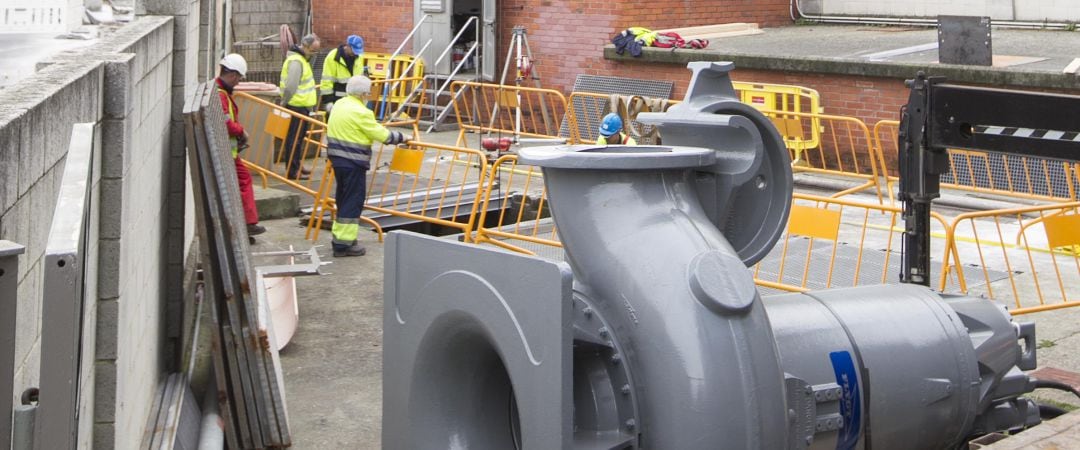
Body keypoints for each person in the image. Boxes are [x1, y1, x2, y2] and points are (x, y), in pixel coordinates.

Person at [326, 76, 406, 257]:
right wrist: (402, 137)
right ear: (364, 93)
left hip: (337, 159)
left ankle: (340, 237)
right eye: (368, 93)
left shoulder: (339, 104)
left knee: (343, 198)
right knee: (352, 201)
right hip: (353, 162)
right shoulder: (362, 112)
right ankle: (343, 244)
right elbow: (382, 135)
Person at [216, 53, 265, 237]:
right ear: (232, 75)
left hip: (226, 151)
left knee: (240, 182)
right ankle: (247, 223)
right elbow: (225, 122)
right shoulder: (221, 95)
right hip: (226, 152)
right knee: (244, 180)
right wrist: (241, 131)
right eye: (238, 79)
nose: (238, 83)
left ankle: (244, 224)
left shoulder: (220, 92)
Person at [279, 33, 321, 180]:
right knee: (294, 139)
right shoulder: (297, 61)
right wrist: (284, 102)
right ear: (305, 46)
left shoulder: (301, 60)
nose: (314, 54)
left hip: (301, 106)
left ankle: (296, 165)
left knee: (298, 139)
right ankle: (292, 170)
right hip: (296, 106)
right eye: (313, 50)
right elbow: (291, 86)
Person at [319, 34, 368, 117]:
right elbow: (326, 81)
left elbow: (360, 77)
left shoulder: (359, 56)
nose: (355, 53)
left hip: (353, 100)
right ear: (347, 46)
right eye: (354, 50)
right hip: (337, 100)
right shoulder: (333, 57)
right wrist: (328, 102)